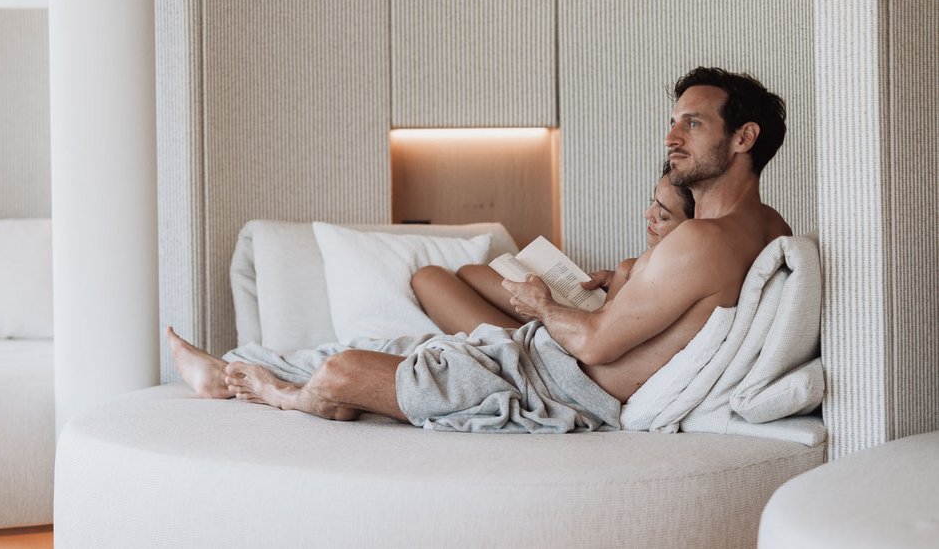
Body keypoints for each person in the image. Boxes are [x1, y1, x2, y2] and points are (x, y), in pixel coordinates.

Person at [169, 67, 791, 432]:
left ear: (744, 138)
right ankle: (228, 371)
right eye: (674, 121)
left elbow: (596, 344)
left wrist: (540, 302)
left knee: (344, 370)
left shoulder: (705, 238)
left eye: (693, 123)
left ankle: (283, 394)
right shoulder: (768, 229)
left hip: (556, 384)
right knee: (398, 347)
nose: (672, 136)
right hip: (548, 363)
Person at [409, 163, 695, 335]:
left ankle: (514, 344)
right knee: (469, 272)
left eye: (663, 215)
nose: (648, 214)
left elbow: (601, 343)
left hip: (562, 348)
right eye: (652, 202)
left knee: (429, 278)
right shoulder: (646, 267)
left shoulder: (671, 277)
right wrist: (614, 286)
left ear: (693, 226)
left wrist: (546, 308)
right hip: (571, 326)